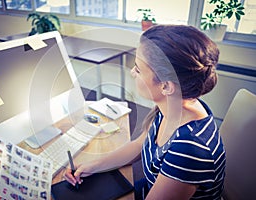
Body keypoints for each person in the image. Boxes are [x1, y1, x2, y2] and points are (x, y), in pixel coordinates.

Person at [64, 25, 226, 200]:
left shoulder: (189, 149)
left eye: (138, 69)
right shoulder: (173, 105)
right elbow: (140, 145)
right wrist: (93, 166)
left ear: (166, 86)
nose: (133, 73)